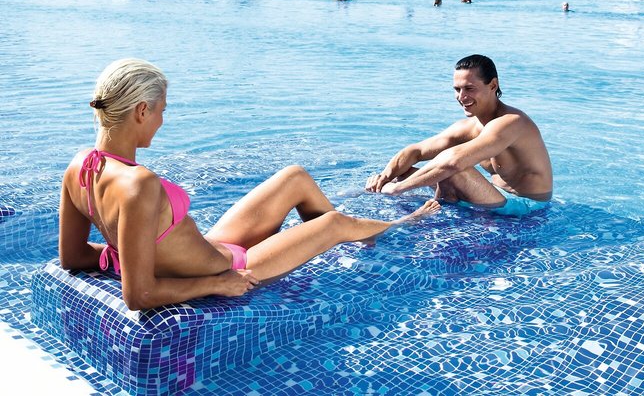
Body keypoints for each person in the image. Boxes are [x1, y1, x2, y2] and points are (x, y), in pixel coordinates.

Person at [59, 59, 439, 311]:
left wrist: (122, 255)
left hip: (213, 247)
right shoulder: (138, 183)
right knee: (336, 222)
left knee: (294, 176)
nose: (162, 120)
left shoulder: (80, 167)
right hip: (236, 267)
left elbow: (73, 257)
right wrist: (216, 284)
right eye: (162, 111)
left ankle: (340, 243)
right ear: (142, 110)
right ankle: (398, 226)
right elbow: (139, 295)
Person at [365, 54, 553, 216]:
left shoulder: (511, 122)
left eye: (469, 89)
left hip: (525, 207)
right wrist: (385, 177)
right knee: (402, 172)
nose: (461, 97)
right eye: (457, 89)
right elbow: (415, 151)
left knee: (455, 169)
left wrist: (396, 189)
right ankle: (440, 205)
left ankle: (437, 213)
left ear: (493, 85)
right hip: (494, 195)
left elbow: (453, 161)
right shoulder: (469, 127)